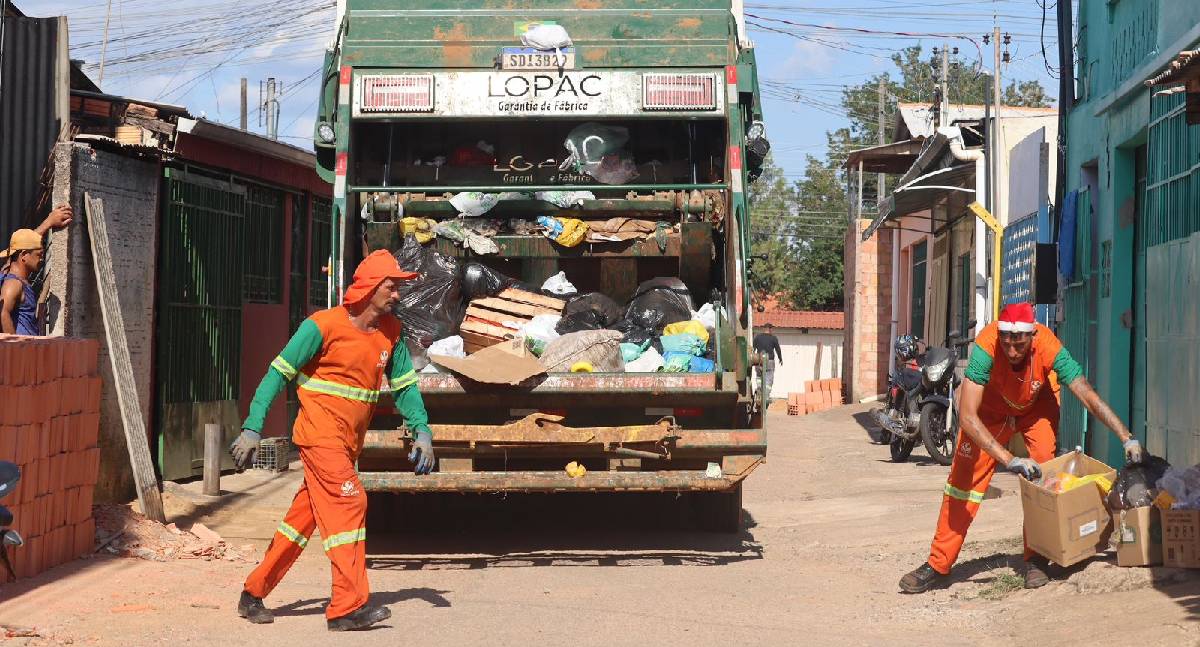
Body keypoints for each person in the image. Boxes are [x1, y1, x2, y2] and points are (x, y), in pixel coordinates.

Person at [229, 250, 435, 631]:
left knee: (300, 523)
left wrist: (422, 429)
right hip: (319, 437)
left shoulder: (392, 334)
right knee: (350, 500)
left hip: (346, 444)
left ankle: (253, 592)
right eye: (391, 287)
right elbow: (277, 373)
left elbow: (405, 386)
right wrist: (252, 427)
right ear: (370, 289)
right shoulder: (320, 327)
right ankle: (346, 606)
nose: (397, 296)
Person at [899, 302, 1142, 593]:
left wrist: (1126, 436)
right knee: (961, 485)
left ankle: (1036, 558)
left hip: (1035, 409)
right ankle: (938, 565)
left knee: (1043, 476)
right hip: (989, 412)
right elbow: (967, 416)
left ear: (1032, 336)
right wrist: (1009, 459)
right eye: (1007, 343)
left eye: (1020, 344)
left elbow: (1085, 392)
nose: (1012, 351)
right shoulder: (986, 345)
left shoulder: (1048, 344)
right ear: (999, 335)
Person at [1, 205, 74, 335]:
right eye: (39, 255)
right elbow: (3, 312)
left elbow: (24, 244)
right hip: (18, 351)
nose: (41, 259)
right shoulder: (13, 284)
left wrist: (49, 222)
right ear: (24, 256)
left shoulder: (13, 271)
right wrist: (14, 347)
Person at [753, 323, 783, 401]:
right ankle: (766, 395)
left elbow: (753, 349)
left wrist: (752, 359)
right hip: (769, 361)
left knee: (759, 376)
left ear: (764, 329)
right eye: (771, 329)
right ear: (770, 329)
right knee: (769, 377)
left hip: (758, 360)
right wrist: (780, 359)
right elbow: (778, 350)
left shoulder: (757, 337)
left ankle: (759, 388)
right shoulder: (773, 338)